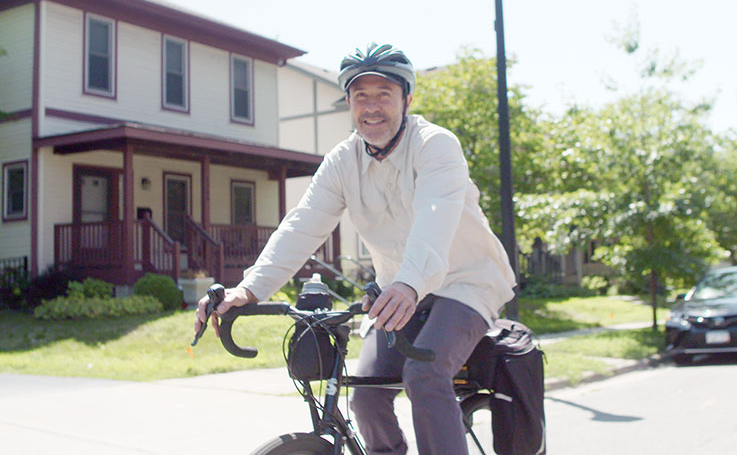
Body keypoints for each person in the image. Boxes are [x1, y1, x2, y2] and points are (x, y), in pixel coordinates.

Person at [195, 42, 515, 455]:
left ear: (407, 99)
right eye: (360, 96)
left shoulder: (436, 145)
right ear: (349, 103)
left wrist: (410, 283)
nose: (372, 106)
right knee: (363, 391)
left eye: (384, 94)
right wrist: (250, 290)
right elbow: (302, 226)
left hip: (465, 284)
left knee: (425, 374)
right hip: (397, 292)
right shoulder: (342, 161)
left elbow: (434, 220)